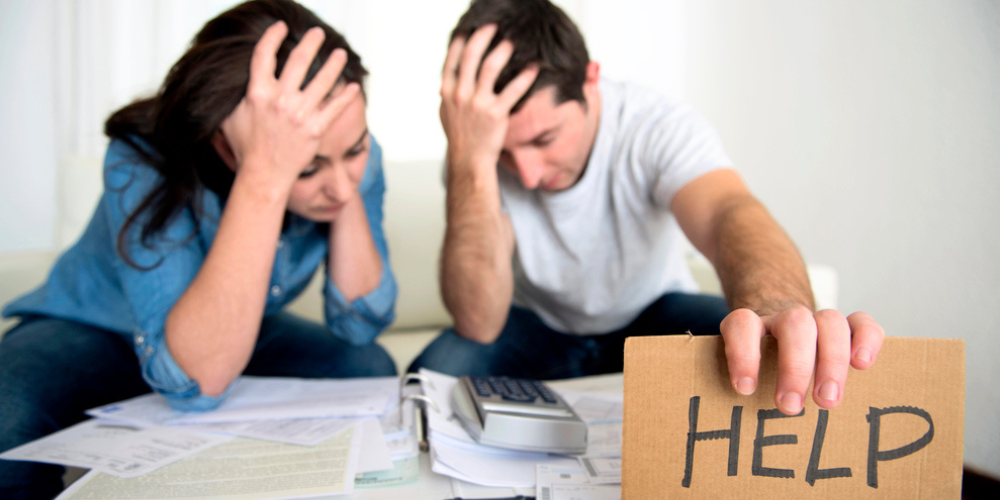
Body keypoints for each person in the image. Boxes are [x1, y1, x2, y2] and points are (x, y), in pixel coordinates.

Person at [410, 0, 885, 418]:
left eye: (544, 139)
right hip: (537, 327)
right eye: (504, 153)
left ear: (590, 80)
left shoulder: (653, 125)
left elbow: (728, 213)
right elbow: (479, 322)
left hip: (651, 316)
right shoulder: (473, 153)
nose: (528, 175)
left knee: (767, 350)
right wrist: (472, 161)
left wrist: (775, 305)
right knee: (432, 376)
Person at [0, 1, 396, 497]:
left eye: (356, 149)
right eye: (309, 168)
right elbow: (193, 384)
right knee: (5, 411)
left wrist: (337, 157)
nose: (340, 187)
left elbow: (360, 323)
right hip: (97, 326)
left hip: (234, 325)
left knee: (367, 369)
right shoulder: (144, 157)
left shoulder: (347, 164)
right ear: (224, 144)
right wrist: (265, 173)